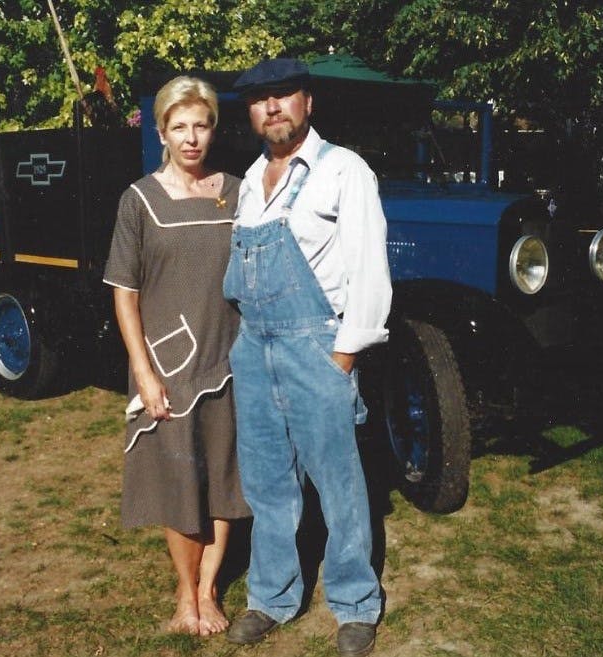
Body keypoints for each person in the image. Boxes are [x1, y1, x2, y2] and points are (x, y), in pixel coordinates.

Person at [223, 58, 392, 657]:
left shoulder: (344, 171)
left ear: (307, 103)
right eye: (259, 99)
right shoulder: (247, 180)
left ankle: (354, 603)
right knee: (268, 483)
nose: (272, 107)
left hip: (316, 348)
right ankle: (273, 597)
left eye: (283, 95)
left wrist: (342, 358)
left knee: (339, 483)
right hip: (256, 346)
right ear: (250, 112)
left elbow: (371, 271)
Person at [103, 75, 251, 636]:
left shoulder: (236, 191)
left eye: (202, 125)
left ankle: (209, 589)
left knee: (223, 475)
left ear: (214, 129)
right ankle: (184, 594)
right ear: (162, 132)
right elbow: (125, 291)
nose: (192, 138)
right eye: (179, 127)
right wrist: (143, 372)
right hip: (171, 361)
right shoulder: (138, 200)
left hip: (231, 355)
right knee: (179, 478)